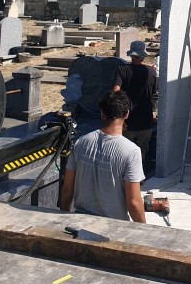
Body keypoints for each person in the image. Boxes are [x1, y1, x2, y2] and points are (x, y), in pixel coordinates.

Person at [59, 90, 146, 222]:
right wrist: (144, 230)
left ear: (102, 113)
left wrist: (62, 221)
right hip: (113, 227)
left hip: (79, 222)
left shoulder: (81, 142)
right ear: (127, 114)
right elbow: (133, 202)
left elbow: (67, 190)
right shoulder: (131, 151)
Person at [111, 40, 157, 162]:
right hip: (146, 120)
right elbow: (154, 94)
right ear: (143, 56)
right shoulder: (151, 71)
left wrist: (119, 117)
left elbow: (115, 91)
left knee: (124, 154)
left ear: (131, 55)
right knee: (141, 152)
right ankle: (138, 173)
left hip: (128, 121)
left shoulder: (122, 70)